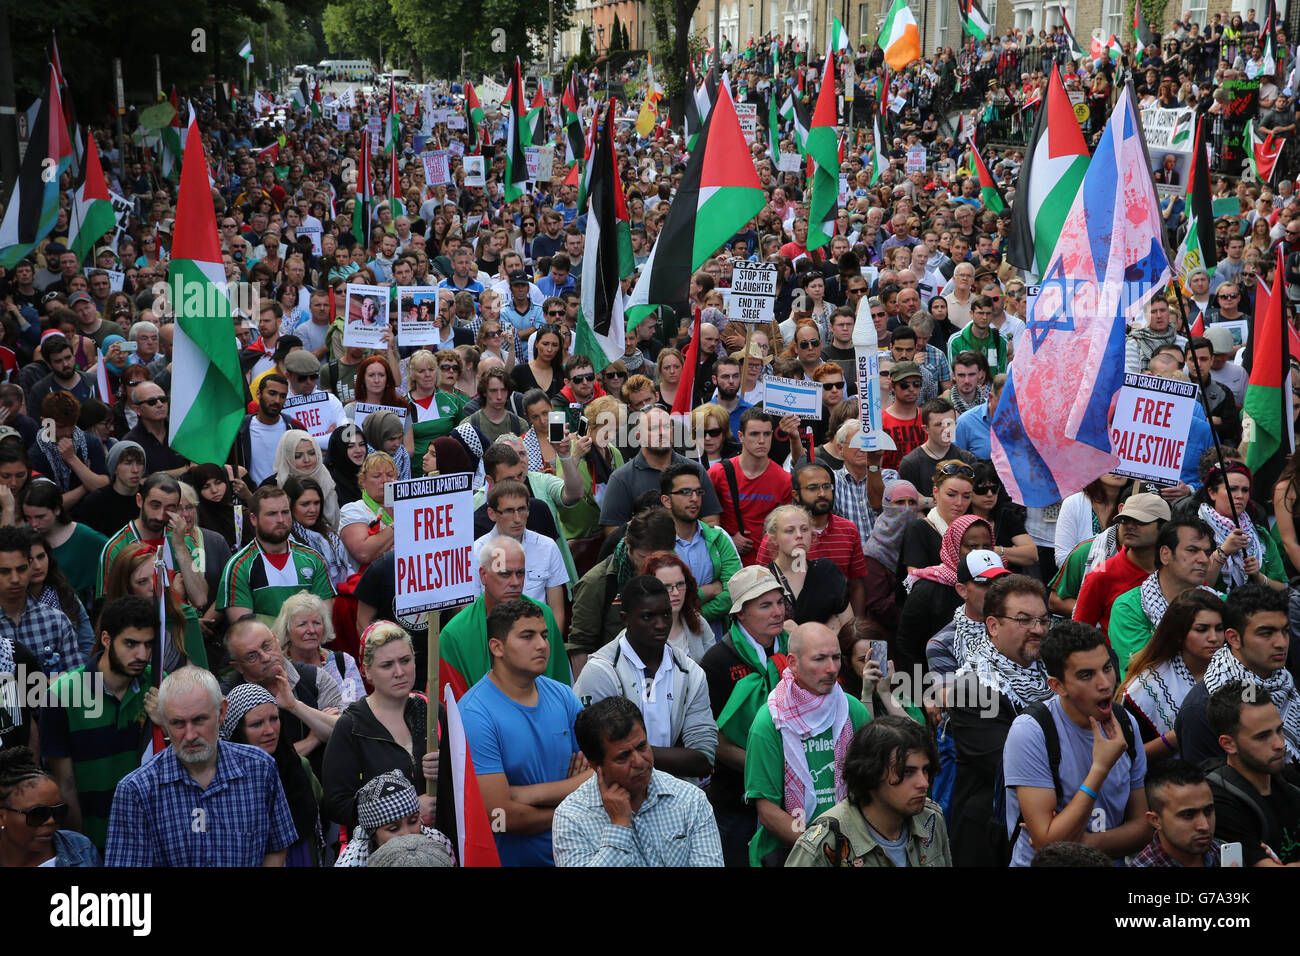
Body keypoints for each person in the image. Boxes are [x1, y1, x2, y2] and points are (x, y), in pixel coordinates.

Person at [104, 666, 299, 867]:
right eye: (178, 723)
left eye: (199, 720)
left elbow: (276, 847)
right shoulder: (136, 790)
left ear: (222, 712)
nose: (190, 735)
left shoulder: (260, 768)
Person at [1002, 621, 1151, 867]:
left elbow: (1143, 829)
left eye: (1107, 668)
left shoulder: (1125, 723)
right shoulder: (1031, 731)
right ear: (1057, 685)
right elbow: (1048, 850)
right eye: (1086, 675)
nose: (1105, 683)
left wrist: (1082, 843)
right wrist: (1100, 769)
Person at [459, 599, 590, 866]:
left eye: (544, 635)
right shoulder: (474, 714)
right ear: (497, 647)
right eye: (527, 636)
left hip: (578, 856)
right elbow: (499, 817)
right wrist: (574, 805)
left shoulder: (563, 695)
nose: (542, 645)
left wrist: (526, 794)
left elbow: (603, 771)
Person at [744, 621, 874, 866]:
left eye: (836, 657)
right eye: (819, 659)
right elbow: (768, 811)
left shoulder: (852, 710)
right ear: (793, 662)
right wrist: (823, 850)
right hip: (791, 853)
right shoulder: (770, 721)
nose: (832, 668)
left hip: (853, 850)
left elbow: (872, 786)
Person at [945, 573, 1052, 866]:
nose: (1038, 630)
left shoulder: (1054, 669)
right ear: (993, 625)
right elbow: (1014, 764)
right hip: (990, 839)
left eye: (1043, 620)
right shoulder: (972, 687)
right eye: (1024, 620)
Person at [38, 595, 156, 852]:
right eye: (131, 644)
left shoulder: (158, 684)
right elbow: (65, 784)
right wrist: (81, 849)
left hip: (150, 836)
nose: (142, 654)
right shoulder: (62, 694)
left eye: (148, 645)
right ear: (106, 639)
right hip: (94, 840)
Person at [552, 695, 724, 866]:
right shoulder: (571, 818)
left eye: (642, 746)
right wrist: (618, 827)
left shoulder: (690, 800)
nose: (640, 762)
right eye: (623, 757)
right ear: (595, 764)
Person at [573, 576, 716, 779]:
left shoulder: (690, 672)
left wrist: (627, 752)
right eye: (648, 617)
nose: (661, 625)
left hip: (675, 796)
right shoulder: (601, 671)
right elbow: (590, 754)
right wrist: (672, 755)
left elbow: (703, 759)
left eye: (666, 614)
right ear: (625, 618)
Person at [320, 622, 453, 838]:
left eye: (405, 660)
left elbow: (465, 783)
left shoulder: (431, 711)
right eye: (387, 665)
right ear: (367, 672)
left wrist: (447, 769)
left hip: (437, 844)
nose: (400, 672)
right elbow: (337, 804)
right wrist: (406, 810)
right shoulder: (351, 726)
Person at [699, 565, 792, 866]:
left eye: (780, 602)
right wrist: (769, 771)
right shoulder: (717, 661)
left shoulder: (795, 648)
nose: (777, 611)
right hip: (737, 800)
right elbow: (717, 741)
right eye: (765, 605)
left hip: (795, 795)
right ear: (740, 614)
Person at [786, 715, 951, 867]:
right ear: (871, 773)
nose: (923, 783)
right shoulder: (825, 843)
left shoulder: (931, 819)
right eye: (907, 772)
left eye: (926, 770)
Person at [1176, 583, 1296, 768]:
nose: (1281, 643)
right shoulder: (1201, 709)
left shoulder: (1287, 681)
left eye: (1285, 631)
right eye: (1266, 634)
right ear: (1234, 638)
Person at [218, 682, 325, 867]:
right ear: (237, 731)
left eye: (274, 719)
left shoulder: (299, 768)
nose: (269, 731)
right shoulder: (223, 781)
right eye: (257, 724)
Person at [1121, 590, 1227, 761]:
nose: (1214, 638)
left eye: (1219, 629)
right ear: (1179, 635)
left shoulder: (1238, 673)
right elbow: (1127, 756)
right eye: (1202, 629)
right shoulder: (1148, 687)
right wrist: (1176, 737)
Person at [754, 462, 868, 619]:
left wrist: (856, 629)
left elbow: (857, 585)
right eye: (813, 488)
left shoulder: (849, 530)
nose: (822, 493)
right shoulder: (776, 538)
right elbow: (760, 584)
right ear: (795, 494)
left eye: (827, 486)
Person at [1205, 680, 1300, 866]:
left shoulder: (1289, 780)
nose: (1279, 744)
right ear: (1228, 744)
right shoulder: (1219, 802)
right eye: (1262, 736)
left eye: (1279, 730)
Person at [569, 507, 677, 670]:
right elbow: (579, 646)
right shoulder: (596, 583)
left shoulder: (673, 573)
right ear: (628, 544)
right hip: (614, 674)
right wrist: (585, 693)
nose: (653, 564)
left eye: (660, 557)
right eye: (644, 557)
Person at [1107, 517, 1216, 675]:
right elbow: (1141, 671)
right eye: (1192, 550)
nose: (1204, 560)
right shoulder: (1130, 608)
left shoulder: (1218, 604)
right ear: (1165, 554)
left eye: (1207, 552)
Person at [217, 486, 335, 624]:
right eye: (272, 514)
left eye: (285, 512)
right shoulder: (239, 566)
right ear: (253, 519)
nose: (280, 519)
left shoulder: (313, 559)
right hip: (266, 645)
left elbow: (323, 618)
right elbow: (245, 629)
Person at [600, 406, 722, 534]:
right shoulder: (621, 478)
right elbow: (613, 532)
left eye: (666, 427)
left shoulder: (695, 471)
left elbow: (711, 521)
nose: (661, 432)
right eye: (653, 428)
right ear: (638, 436)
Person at [897, 514, 994, 674]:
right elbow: (908, 647)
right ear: (954, 547)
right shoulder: (927, 588)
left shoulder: (999, 584)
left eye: (986, 547)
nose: (980, 553)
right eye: (972, 547)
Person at [473, 479, 569, 629]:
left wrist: (547, 647)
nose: (517, 519)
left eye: (522, 509)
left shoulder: (547, 547)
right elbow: (472, 613)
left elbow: (556, 612)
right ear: (492, 514)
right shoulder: (475, 552)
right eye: (509, 511)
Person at [1072, 492, 1170, 636]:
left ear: (1163, 527)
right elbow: (1079, 634)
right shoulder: (1101, 577)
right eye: (1124, 520)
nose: (1130, 526)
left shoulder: (1179, 570)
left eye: (1140, 521)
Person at [658, 461, 740, 633]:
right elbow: (662, 600)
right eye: (685, 492)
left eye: (698, 492)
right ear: (666, 500)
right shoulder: (656, 543)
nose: (694, 498)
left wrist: (690, 615)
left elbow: (734, 593)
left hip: (717, 645)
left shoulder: (718, 537)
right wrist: (709, 590)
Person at [0, 746, 99, 867]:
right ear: (2, 817)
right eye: (37, 814)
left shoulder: (80, 847)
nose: (51, 821)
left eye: (58, 811)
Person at [334, 770, 455, 867]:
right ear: (373, 835)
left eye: (413, 821)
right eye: (393, 829)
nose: (407, 834)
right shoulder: (353, 861)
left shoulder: (439, 842)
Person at [1198, 461, 1287, 591]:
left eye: (1245, 490)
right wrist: (1222, 552)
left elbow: (1283, 588)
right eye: (1232, 489)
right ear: (1212, 493)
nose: (1240, 496)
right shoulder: (1195, 531)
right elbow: (1195, 589)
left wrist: (1258, 576)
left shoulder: (1261, 536)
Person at [20, 478, 106, 608]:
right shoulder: (25, 534)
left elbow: (116, 553)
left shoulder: (85, 536)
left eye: (40, 517)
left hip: (74, 612)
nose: (34, 524)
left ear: (57, 510)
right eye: (28, 518)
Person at [763, 504, 851, 631]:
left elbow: (848, 631)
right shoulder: (764, 579)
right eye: (790, 530)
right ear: (774, 538)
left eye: (804, 529)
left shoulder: (827, 572)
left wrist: (798, 632)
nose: (799, 535)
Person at [274, 591, 365, 706]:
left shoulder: (343, 662)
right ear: (286, 629)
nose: (312, 630)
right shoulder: (280, 667)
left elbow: (358, 710)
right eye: (302, 624)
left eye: (317, 623)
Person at [1131, 759, 1219, 867]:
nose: (1204, 826)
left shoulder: (1223, 853)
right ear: (1156, 820)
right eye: (1188, 815)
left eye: (1208, 811)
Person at [900, 460, 975, 574]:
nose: (959, 502)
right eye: (951, 495)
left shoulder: (975, 528)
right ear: (935, 492)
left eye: (966, 496)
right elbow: (915, 578)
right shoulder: (918, 529)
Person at [642, 550, 715, 662]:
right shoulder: (637, 632)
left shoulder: (697, 621)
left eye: (680, 584)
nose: (675, 592)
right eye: (666, 587)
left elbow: (713, 668)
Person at [897, 399, 976, 498]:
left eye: (950, 423)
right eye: (939, 425)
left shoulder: (967, 459)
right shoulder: (910, 464)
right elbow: (908, 505)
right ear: (925, 429)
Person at [72, 440, 145, 538]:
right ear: (115, 468)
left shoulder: (148, 497)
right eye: (128, 463)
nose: (135, 470)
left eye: (140, 463)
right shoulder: (95, 502)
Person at [273, 428, 340, 527]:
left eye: (312, 453)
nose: (307, 460)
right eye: (298, 456)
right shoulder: (274, 485)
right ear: (287, 457)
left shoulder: (327, 478)